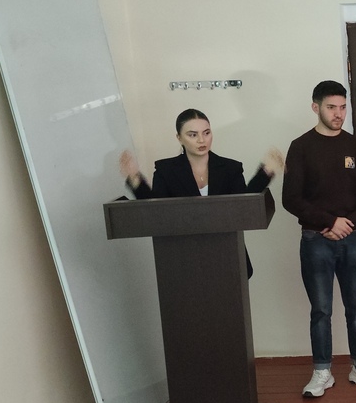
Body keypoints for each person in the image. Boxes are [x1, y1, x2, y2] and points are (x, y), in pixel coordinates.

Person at [282, 80, 356, 398]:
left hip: (354, 239)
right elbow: (291, 198)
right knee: (321, 310)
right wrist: (330, 222)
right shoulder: (300, 147)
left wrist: (347, 224)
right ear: (315, 107)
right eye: (331, 107)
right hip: (316, 241)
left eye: (343, 107)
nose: (338, 114)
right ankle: (322, 372)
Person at [119, 108, 284, 278]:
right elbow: (157, 211)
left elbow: (242, 205)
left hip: (228, 257)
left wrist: (266, 172)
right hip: (182, 261)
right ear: (179, 138)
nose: (201, 140)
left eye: (206, 133)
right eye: (193, 135)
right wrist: (135, 179)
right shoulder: (165, 170)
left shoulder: (230, 168)